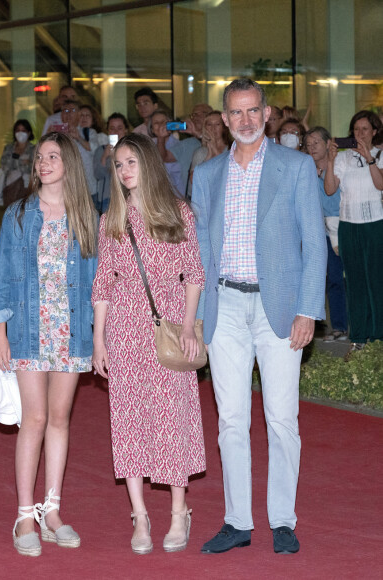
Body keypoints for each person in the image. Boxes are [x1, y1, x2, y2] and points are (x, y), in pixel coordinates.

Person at [192, 78, 326, 555]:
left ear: (266, 114)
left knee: (281, 418)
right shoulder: (207, 175)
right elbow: (201, 252)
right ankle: (237, 521)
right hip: (224, 306)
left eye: (254, 112)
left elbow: (315, 244)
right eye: (236, 114)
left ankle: (283, 520)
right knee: (230, 419)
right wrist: (196, 316)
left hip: (280, 308)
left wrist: (308, 309)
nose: (246, 121)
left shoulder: (295, 167)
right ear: (225, 121)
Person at [92, 133, 206, 555]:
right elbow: (102, 281)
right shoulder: (111, 221)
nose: (124, 171)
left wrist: (190, 327)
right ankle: (140, 515)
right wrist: (98, 340)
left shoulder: (179, 213)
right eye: (118, 165)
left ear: (149, 165)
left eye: (131, 163)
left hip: (168, 331)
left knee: (173, 418)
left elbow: (194, 272)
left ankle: (179, 512)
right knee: (130, 422)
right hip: (123, 332)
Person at [0, 132, 98, 557]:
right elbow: (0, 277)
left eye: (53, 156)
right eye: (39, 157)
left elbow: (96, 284)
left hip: (71, 332)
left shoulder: (87, 215)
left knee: (59, 419)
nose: (43, 162)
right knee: (32, 420)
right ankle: (23, 516)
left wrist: (98, 336)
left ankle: (52, 512)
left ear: (69, 163)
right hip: (29, 331)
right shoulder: (18, 214)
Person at [324, 110, 383, 358]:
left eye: (365, 129)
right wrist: (329, 159)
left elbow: (380, 185)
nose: (360, 134)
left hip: (375, 224)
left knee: (376, 282)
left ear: (375, 131)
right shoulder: (343, 159)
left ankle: (378, 339)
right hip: (349, 225)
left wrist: (369, 158)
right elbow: (329, 190)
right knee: (355, 283)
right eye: (356, 130)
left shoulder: (380, 155)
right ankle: (358, 338)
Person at [303, 127, 348, 342]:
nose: (311, 148)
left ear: (328, 143)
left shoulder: (340, 165)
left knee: (352, 279)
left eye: (316, 143)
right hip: (320, 232)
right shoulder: (304, 169)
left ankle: (357, 325)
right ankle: (338, 326)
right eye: (308, 144)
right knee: (333, 281)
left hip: (345, 227)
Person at [172, 103, 213, 199]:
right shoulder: (187, 142)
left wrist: (197, 134)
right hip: (191, 197)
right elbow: (164, 157)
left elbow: (213, 148)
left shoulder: (222, 138)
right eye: (194, 115)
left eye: (202, 113)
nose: (197, 117)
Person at [93, 112, 129, 213]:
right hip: (107, 198)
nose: (116, 131)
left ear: (126, 130)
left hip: (128, 196)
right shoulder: (101, 150)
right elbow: (98, 175)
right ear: (108, 130)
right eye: (112, 128)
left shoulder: (131, 150)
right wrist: (105, 156)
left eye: (119, 128)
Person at [60, 100, 96, 195]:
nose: (68, 114)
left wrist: (78, 138)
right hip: (65, 190)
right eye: (65, 111)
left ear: (78, 114)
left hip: (88, 189)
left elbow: (94, 149)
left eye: (72, 110)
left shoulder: (88, 132)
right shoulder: (56, 134)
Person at [0, 119, 36, 204]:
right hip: (10, 187)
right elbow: (4, 166)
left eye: (23, 130)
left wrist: (15, 162)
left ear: (29, 133)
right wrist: (24, 162)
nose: (20, 133)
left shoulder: (33, 149)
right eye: (18, 130)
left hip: (28, 187)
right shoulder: (8, 148)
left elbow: (34, 168)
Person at [148, 109, 184, 196]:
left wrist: (161, 138)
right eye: (156, 123)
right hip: (153, 195)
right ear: (152, 129)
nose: (161, 125)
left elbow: (161, 159)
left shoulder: (179, 145)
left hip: (175, 196)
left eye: (164, 122)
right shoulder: (148, 145)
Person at [189, 110, 232, 177]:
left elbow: (227, 173)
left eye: (217, 124)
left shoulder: (232, 149)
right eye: (209, 124)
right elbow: (193, 179)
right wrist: (209, 156)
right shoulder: (201, 152)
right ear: (205, 128)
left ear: (224, 127)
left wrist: (214, 149)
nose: (213, 128)